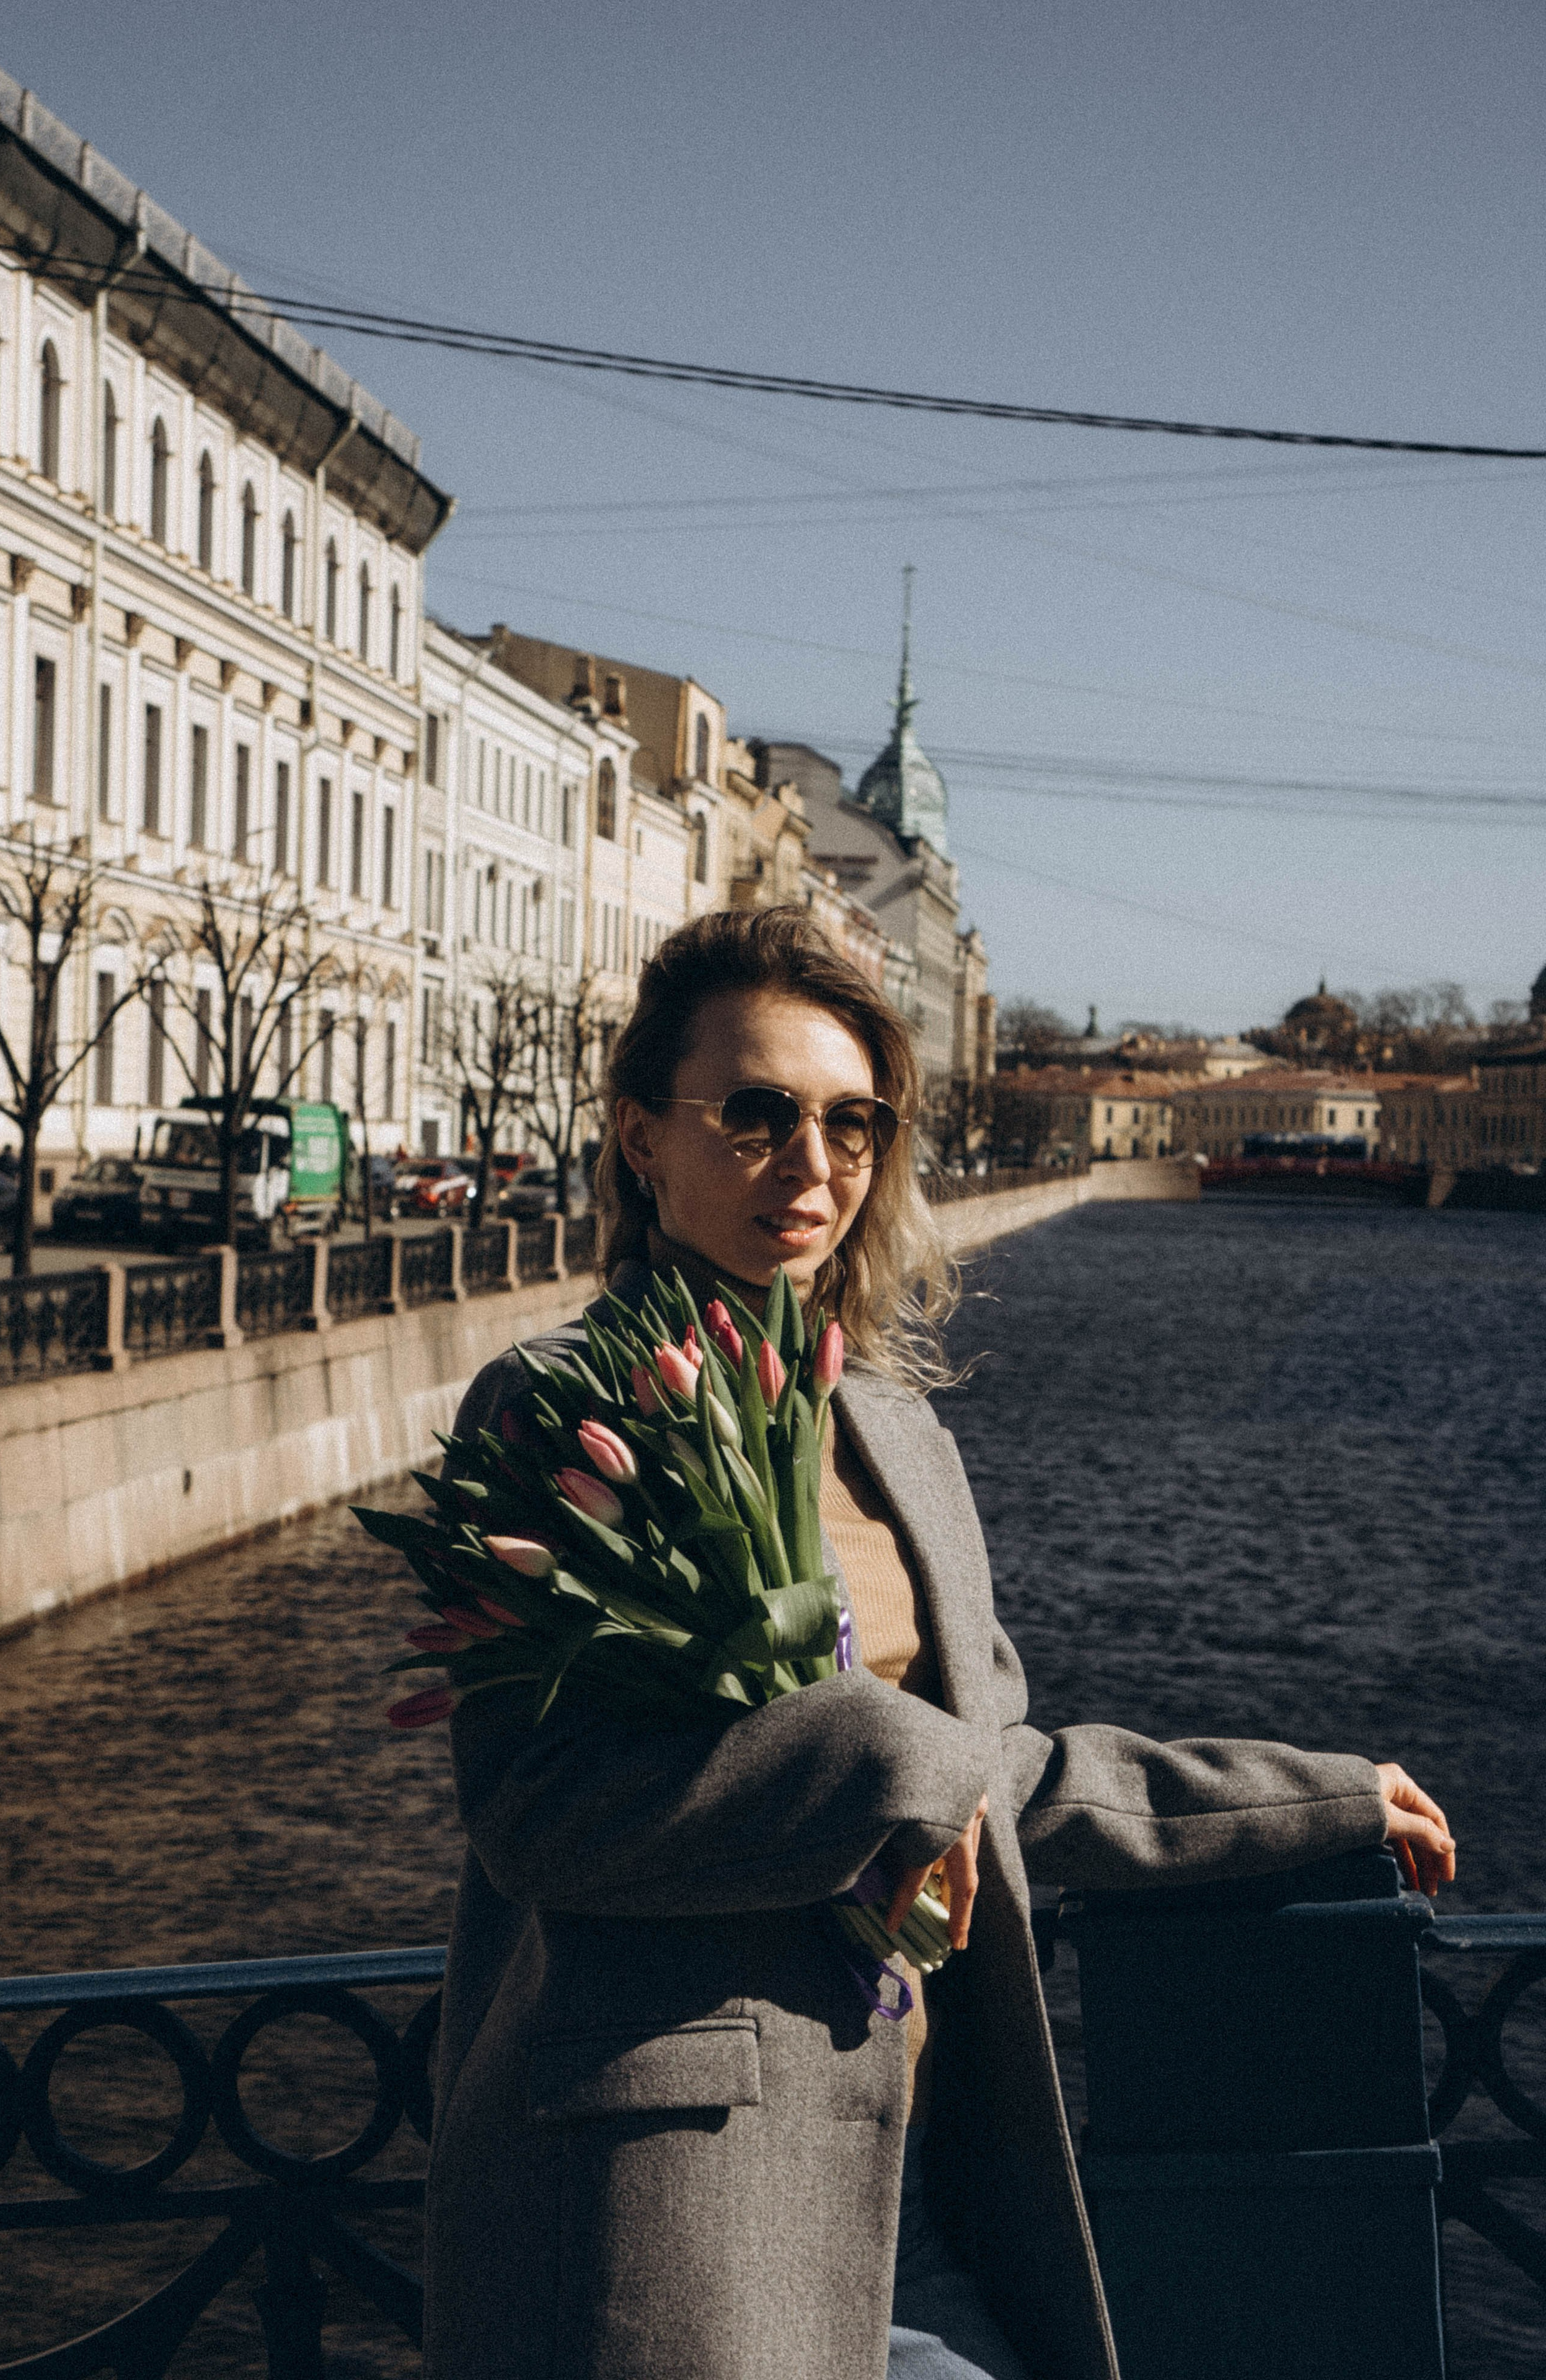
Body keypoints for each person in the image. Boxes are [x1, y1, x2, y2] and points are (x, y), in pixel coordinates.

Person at [425, 907, 1454, 2380]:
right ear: (641, 1134)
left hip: (914, 2147)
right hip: (689, 2187)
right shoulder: (559, 1408)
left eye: (850, 1122)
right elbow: (539, 1811)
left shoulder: (891, 1428)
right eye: (757, 1113)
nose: (810, 1163)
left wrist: (1307, 1798)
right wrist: (884, 1752)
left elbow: (985, 1770)